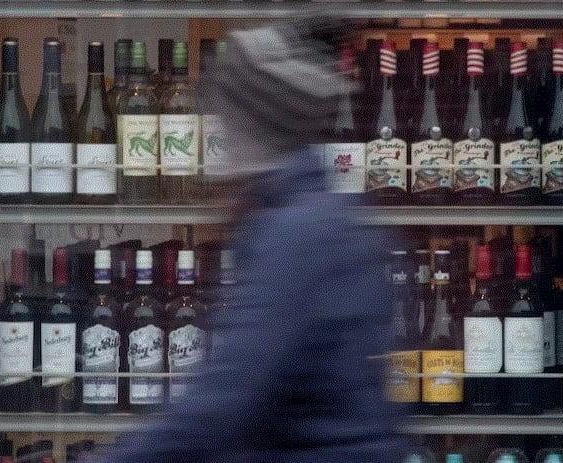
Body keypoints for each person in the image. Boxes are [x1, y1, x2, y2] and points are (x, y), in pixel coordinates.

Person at [101, 17, 406, 463]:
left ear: (252, 126)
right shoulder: (331, 217)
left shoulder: (296, 234)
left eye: (225, 119)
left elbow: (222, 400)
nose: (220, 135)